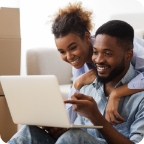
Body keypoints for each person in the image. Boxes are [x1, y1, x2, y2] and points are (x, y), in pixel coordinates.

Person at [7, 2, 144, 144]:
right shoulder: (86, 81)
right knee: (28, 132)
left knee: (74, 137)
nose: (99, 60)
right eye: (96, 52)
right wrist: (60, 128)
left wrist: (115, 95)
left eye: (107, 53)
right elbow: (76, 124)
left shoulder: (139, 92)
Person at [51, 2, 144, 124]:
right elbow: (71, 119)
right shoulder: (80, 63)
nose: (69, 57)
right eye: (62, 51)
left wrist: (117, 93)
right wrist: (77, 84)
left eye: (73, 48)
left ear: (87, 37)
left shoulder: (119, 46)